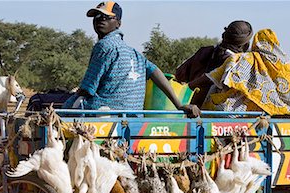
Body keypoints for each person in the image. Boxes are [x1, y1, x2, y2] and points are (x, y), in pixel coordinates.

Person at [62, 1, 200, 118]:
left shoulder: (104, 46)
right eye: (97, 16)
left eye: (106, 17)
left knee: (66, 110)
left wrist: (65, 107)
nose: (100, 19)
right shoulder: (134, 53)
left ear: (118, 23)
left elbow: (87, 89)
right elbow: (155, 71)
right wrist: (179, 104)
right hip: (133, 117)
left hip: (105, 113)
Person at [202, 28, 290, 115]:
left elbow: (216, 81)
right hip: (281, 112)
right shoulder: (285, 63)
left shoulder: (241, 59)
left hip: (235, 113)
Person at [175, 20, 253, 107]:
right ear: (245, 45)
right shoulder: (236, 63)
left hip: (187, 108)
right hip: (211, 116)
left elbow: (179, 75)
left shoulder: (204, 51)